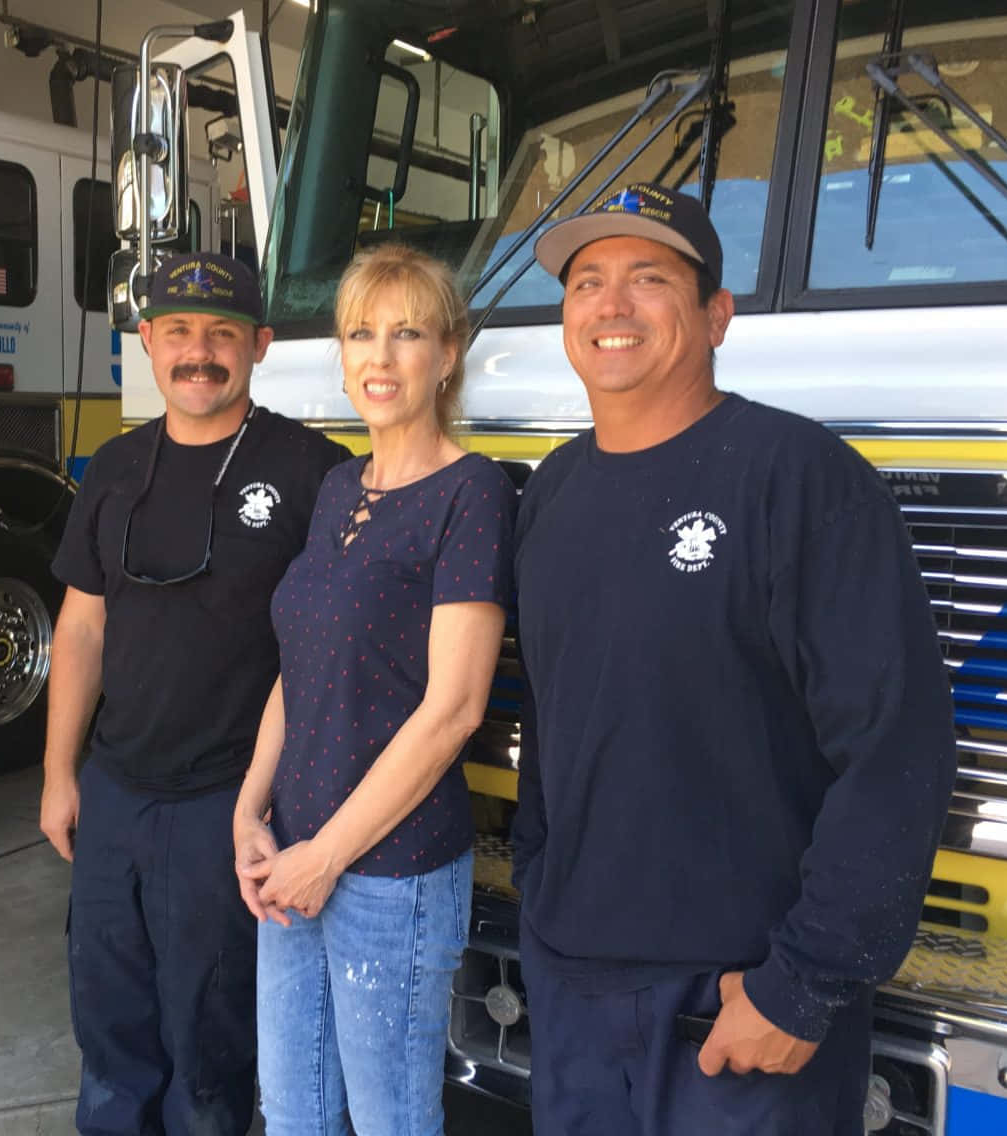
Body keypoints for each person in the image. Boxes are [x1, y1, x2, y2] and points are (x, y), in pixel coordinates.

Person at [511, 183, 956, 1134]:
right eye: (587, 282)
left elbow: (896, 749)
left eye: (649, 278)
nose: (612, 305)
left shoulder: (801, 481)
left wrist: (804, 984)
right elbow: (553, 719)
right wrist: (540, 899)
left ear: (718, 315)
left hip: (738, 1009)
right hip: (574, 991)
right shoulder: (550, 492)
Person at [41, 251, 350, 1136]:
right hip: (115, 792)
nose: (199, 353)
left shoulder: (312, 471)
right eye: (178, 331)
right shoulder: (113, 465)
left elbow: (334, 648)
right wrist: (62, 773)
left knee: (210, 1039)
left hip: (230, 804)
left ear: (259, 345)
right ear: (147, 342)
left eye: (222, 334)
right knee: (109, 1019)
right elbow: (82, 627)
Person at [234, 244, 515, 1136]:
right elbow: (299, 662)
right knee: (294, 1118)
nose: (380, 357)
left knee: (392, 1121)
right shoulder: (333, 488)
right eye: (361, 333)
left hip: (391, 871)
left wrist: (328, 854)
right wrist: (251, 810)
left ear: (448, 353)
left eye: (407, 334)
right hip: (292, 852)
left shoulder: (473, 493)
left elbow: (454, 710)